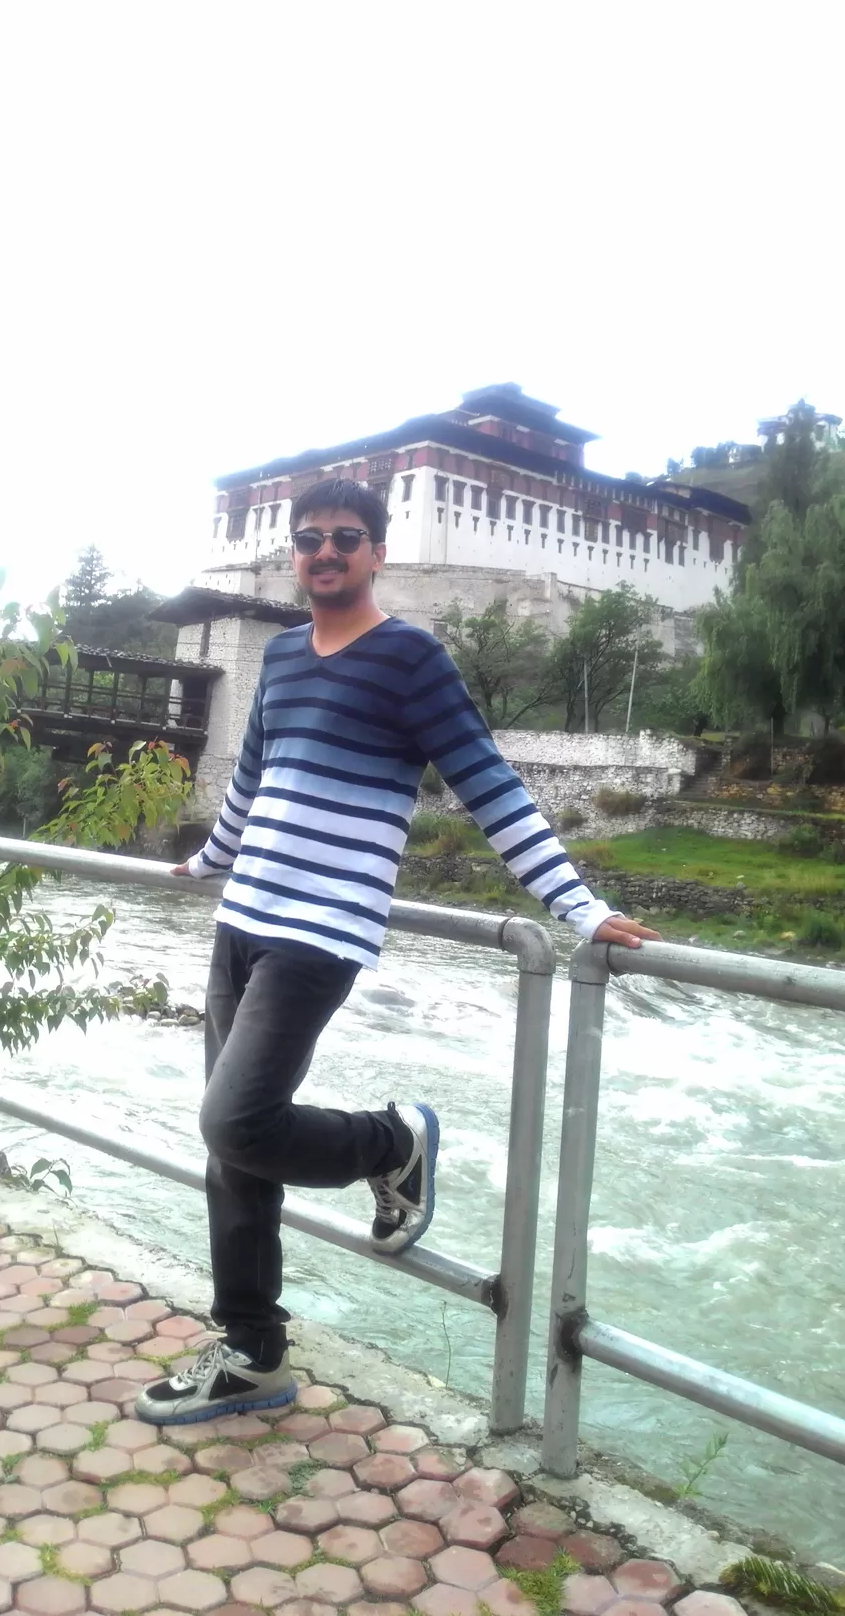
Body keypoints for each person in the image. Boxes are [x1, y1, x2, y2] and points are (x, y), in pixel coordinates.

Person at [135, 477, 658, 1426]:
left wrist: (579, 907)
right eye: (307, 540)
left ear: (377, 552)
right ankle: (250, 1350)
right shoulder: (285, 656)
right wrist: (207, 862)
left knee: (235, 1123)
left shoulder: (412, 659)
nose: (323, 552)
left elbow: (490, 787)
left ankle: (394, 1140)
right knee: (232, 1155)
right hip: (243, 918)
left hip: (320, 931)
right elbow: (254, 777)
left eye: (344, 537)